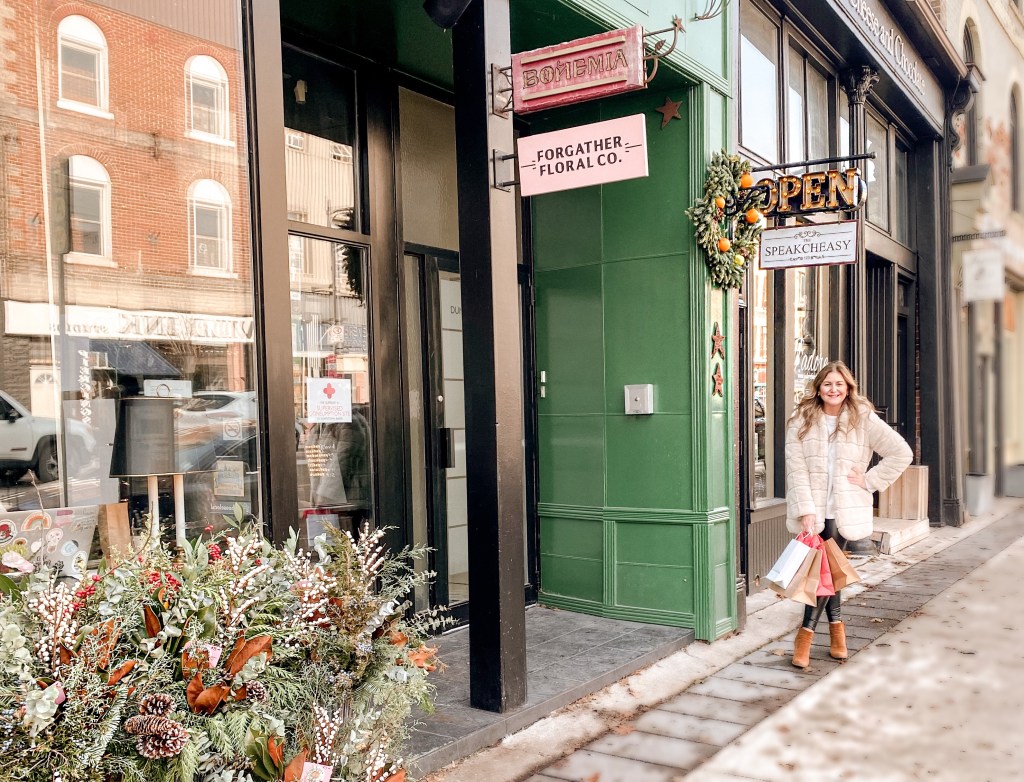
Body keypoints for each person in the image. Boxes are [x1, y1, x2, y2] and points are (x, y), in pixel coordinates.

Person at [785, 360, 912, 669]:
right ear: (818, 387)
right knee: (828, 574)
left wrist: (869, 481)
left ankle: (806, 637)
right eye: (828, 384)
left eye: (840, 384)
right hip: (815, 511)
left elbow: (901, 453)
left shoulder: (862, 418)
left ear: (848, 388)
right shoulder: (801, 419)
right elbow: (795, 468)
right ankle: (837, 634)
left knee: (824, 575)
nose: (834, 389)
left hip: (845, 510)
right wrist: (805, 510)